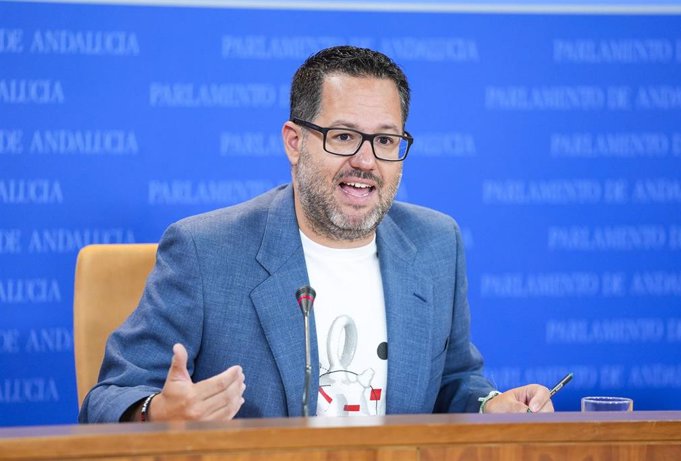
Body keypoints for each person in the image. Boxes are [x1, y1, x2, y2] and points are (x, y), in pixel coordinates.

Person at [79, 46, 553, 423]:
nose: (366, 162)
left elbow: (454, 381)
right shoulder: (204, 250)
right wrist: (156, 412)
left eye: (386, 141)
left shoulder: (436, 243)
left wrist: (490, 403)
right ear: (294, 142)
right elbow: (108, 398)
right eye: (343, 136)